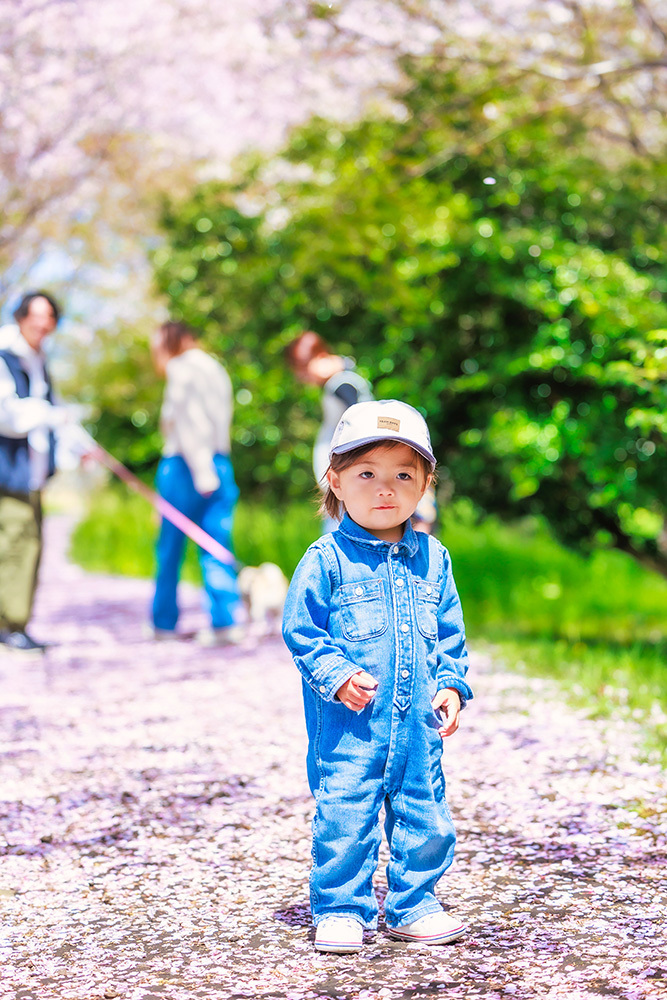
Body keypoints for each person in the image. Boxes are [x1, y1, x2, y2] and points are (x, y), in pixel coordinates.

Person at [282, 399, 472, 954]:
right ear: (336, 480)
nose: (384, 488)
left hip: (417, 725)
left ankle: (415, 902)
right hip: (351, 727)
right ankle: (342, 908)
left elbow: (451, 633)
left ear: (425, 485)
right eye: (367, 473)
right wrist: (336, 674)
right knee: (345, 814)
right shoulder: (325, 560)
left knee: (425, 814)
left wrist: (452, 685)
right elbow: (303, 632)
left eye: (403, 475)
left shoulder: (434, 559)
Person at [149, 320, 241, 645]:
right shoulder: (216, 367)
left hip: (186, 464)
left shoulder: (180, 367)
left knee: (170, 546)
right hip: (220, 459)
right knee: (216, 543)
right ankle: (225, 622)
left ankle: (164, 624)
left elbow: (188, 420)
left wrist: (201, 469)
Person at [0, 291, 73, 651]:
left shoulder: (39, 360)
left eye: (49, 318)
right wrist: (48, 414)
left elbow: (56, 413)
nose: (43, 324)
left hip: (31, 474)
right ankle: (9, 627)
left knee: (31, 545)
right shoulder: (4, 355)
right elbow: (7, 415)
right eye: (37, 316)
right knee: (15, 545)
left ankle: (17, 624)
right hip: (7, 472)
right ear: (20, 316)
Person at [285, 331, 373, 512]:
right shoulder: (339, 381)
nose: (302, 378)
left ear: (321, 357)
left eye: (304, 369)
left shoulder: (342, 384)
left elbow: (359, 420)